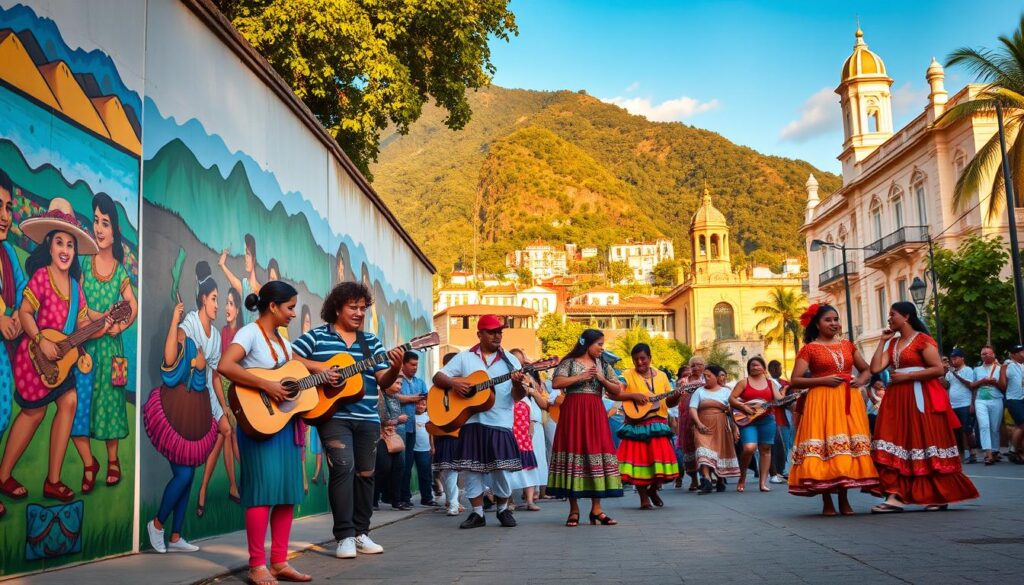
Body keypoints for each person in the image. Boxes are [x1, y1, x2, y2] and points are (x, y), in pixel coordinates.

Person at [1, 198, 111, 503]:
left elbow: (83, 322)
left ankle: (53, 480)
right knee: (33, 413)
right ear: (49, 246)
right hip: (34, 358)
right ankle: (4, 474)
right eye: (59, 242)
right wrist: (40, 340)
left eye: (70, 245)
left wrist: (102, 322)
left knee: (69, 401)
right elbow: (25, 313)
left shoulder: (76, 287)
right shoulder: (41, 278)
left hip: (61, 364)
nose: (65, 250)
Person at [291, 281, 403, 558]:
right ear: (337, 308)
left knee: (366, 473)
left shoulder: (371, 342)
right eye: (353, 307)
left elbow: (385, 382)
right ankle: (344, 537)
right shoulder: (316, 337)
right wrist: (320, 368)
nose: (359, 313)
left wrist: (396, 366)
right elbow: (288, 356)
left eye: (362, 308)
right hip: (332, 416)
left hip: (367, 417)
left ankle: (362, 533)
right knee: (343, 469)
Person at [215, 281, 312, 583]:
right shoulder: (249, 333)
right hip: (258, 425)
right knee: (260, 494)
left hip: (284, 425)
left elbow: (296, 365)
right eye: (290, 307)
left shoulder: (283, 342)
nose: (293, 313)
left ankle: (279, 562)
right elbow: (225, 365)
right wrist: (267, 385)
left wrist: (324, 369)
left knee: (286, 493)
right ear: (273, 306)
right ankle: (257, 565)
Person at [866, 302, 978, 513]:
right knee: (895, 440)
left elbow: (938, 369)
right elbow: (875, 368)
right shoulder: (893, 343)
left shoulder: (923, 340)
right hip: (897, 398)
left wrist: (908, 376)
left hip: (920, 396)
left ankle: (937, 494)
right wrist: (882, 341)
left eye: (893, 314)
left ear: (906, 316)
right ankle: (895, 495)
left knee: (923, 440)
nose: (889, 318)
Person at [432, 314, 526, 529]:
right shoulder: (465, 357)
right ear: (479, 334)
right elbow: (438, 377)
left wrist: (517, 384)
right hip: (470, 421)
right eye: (492, 332)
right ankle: (477, 513)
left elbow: (518, 396)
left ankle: (503, 509)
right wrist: (454, 384)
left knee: (502, 469)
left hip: (500, 421)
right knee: (472, 470)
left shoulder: (511, 361)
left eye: (499, 332)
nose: (497, 336)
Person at [787, 304, 877, 516]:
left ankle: (844, 500)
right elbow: (795, 380)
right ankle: (827, 501)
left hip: (848, 400)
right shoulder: (809, 349)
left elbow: (866, 370)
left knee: (845, 449)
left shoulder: (848, 345)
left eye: (836, 319)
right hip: (821, 400)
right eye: (828, 320)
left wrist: (860, 382)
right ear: (817, 324)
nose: (834, 323)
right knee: (825, 447)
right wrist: (823, 380)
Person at [77, 193, 138, 492]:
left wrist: (120, 327)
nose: (99, 229)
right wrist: (97, 317)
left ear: (115, 230)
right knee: (85, 403)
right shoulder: (84, 264)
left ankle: (113, 460)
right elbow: (78, 302)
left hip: (112, 351)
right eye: (96, 221)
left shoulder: (120, 272)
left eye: (105, 223)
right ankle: (90, 463)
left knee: (111, 402)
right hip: (87, 348)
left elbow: (132, 306)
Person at [174, 262, 239, 517]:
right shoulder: (191, 321)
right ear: (203, 299)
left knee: (226, 429)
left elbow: (215, 376)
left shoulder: (215, 336)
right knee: (211, 439)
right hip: (192, 392)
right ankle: (202, 490)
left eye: (218, 300)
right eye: (214, 299)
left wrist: (224, 406)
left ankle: (206, 490)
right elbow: (179, 340)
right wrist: (193, 356)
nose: (217, 306)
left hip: (209, 393)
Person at [144, 333, 216, 554]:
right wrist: (196, 365)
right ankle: (157, 524)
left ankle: (176, 536)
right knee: (183, 475)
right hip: (174, 414)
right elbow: (170, 376)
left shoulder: (193, 343)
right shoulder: (176, 340)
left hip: (192, 416)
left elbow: (198, 384)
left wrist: (200, 368)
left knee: (188, 476)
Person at [547, 329, 626, 527]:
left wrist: (602, 379)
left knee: (595, 451)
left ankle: (596, 509)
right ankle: (573, 510)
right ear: (587, 344)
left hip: (595, 411)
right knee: (573, 450)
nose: (602, 348)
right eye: (599, 344)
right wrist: (580, 377)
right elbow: (556, 382)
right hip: (573, 411)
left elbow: (617, 390)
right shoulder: (569, 362)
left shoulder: (603, 365)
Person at [616, 343, 680, 509]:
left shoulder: (662, 376)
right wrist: (633, 395)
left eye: (643, 358)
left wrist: (678, 395)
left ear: (650, 358)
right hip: (636, 424)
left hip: (658, 424)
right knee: (639, 463)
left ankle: (653, 489)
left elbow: (669, 402)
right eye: (636, 359)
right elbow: (616, 392)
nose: (639, 362)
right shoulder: (626, 375)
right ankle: (643, 498)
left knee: (660, 462)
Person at [0, 170, 25, 519]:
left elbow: (21, 288)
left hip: (5, 356)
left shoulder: (7, 252)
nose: (4, 215)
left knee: (3, 413)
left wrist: (18, 313)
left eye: (7, 207)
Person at [730, 356, 785, 493]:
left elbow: (779, 400)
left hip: (767, 420)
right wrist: (743, 407)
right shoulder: (744, 382)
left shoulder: (770, 383)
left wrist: (789, 393)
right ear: (749, 368)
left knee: (765, 449)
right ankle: (742, 477)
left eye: (757, 365)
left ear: (763, 368)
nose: (755, 367)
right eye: (752, 365)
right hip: (748, 420)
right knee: (749, 448)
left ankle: (763, 483)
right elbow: (731, 398)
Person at [508, 348, 549, 512]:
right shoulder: (502, 377)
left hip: (525, 432)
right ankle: (508, 500)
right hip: (509, 430)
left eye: (521, 361)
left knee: (529, 464)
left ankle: (531, 499)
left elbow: (539, 402)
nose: (519, 365)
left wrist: (531, 423)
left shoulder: (527, 380)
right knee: (508, 466)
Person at [690, 364, 740, 494]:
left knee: (718, 452)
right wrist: (698, 423)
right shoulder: (699, 391)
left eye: (708, 376)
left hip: (720, 427)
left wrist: (735, 428)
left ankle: (720, 479)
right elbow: (692, 408)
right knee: (702, 451)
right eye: (704, 376)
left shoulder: (726, 392)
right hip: (703, 426)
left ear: (716, 377)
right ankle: (706, 480)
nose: (705, 378)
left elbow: (732, 413)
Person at [431, 352, 462, 516]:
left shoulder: (464, 387)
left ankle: (453, 500)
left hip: (461, 434)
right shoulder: (437, 390)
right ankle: (453, 503)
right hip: (448, 435)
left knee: (454, 471)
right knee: (450, 470)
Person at [397, 351, 429, 507]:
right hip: (398, 429)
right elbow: (393, 396)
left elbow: (425, 399)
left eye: (417, 365)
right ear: (403, 364)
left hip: (412, 428)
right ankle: (400, 497)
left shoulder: (420, 382)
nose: (415, 367)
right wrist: (412, 398)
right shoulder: (397, 380)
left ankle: (407, 497)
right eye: (412, 364)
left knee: (409, 464)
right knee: (401, 465)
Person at [374, 380, 409, 510]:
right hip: (380, 436)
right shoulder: (379, 395)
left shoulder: (395, 398)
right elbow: (380, 418)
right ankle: (373, 500)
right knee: (384, 467)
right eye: (397, 383)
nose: (399, 386)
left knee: (399, 467)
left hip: (393, 435)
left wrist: (396, 421)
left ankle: (396, 501)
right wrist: (397, 420)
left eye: (401, 384)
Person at [971, 345, 1005, 465]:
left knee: (994, 427)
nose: (984, 355)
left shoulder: (1000, 369)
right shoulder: (977, 370)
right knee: (984, 426)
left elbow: (1004, 387)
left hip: (996, 400)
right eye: (982, 354)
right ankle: (988, 453)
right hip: (981, 400)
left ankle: (995, 451)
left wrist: (994, 383)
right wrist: (972, 403)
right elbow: (972, 386)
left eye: (987, 353)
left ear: (993, 355)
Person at [218, 234, 261, 326]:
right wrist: (222, 265)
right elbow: (232, 279)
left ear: (254, 258)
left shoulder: (262, 290)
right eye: (245, 254)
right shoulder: (244, 285)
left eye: (248, 254)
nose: (245, 258)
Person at [943, 348, 977, 464]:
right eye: (952, 358)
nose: (953, 360)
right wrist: (942, 374)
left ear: (962, 358)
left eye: (956, 358)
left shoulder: (968, 370)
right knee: (956, 431)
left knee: (967, 430)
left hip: (965, 404)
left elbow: (971, 385)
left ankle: (973, 453)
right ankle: (960, 454)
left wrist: (972, 404)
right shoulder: (949, 373)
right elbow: (946, 386)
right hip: (953, 405)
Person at [678, 357, 706, 491]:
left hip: (704, 416)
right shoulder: (683, 382)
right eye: (693, 365)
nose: (696, 368)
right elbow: (677, 397)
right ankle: (694, 479)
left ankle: (706, 476)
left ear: (704, 366)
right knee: (689, 448)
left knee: (704, 445)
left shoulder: (707, 379)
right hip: (687, 419)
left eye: (699, 365)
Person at [767, 360, 793, 485]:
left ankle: (782, 469)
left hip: (786, 417)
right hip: (776, 417)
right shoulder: (769, 383)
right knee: (779, 446)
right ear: (770, 370)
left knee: (786, 445)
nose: (778, 370)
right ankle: (778, 471)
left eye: (779, 368)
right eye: (776, 368)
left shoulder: (785, 383)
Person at [1001, 345, 1024, 463]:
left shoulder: (1022, 365)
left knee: (1020, 426)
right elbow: (1002, 384)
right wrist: (1003, 369)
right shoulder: (1008, 365)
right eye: (1021, 352)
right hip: (1013, 399)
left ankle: (1017, 450)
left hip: (1022, 398)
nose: (1023, 354)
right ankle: (1014, 451)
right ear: (1014, 355)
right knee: (1022, 425)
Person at [410, 399, 435, 509]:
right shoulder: (410, 416)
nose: (420, 406)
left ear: (426, 406)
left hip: (425, 450)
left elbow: (431, 434)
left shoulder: (428, 417)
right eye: (418, 404)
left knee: (425, 475)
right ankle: (405, 498)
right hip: (411, 449)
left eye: (423, 404)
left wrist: (432, 447)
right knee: (406, 473)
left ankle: (427, 499)